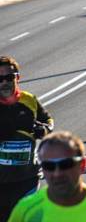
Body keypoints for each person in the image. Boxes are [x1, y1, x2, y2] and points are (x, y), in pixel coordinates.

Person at [8, 131, 86, 222]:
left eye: (65, 164)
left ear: (82, 164)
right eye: (49, 166)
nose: (57, 173)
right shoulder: (25, 211)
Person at [0, 56, 54, 221]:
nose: (4, 83)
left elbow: (48, 121)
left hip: (27, 179)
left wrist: (43, 130)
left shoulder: (29, 100)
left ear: (17, 77)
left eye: (9, 77)